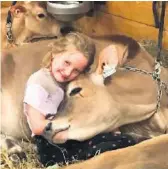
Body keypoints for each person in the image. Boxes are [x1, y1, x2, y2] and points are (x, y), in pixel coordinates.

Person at [23, 33, 137, 167]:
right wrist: (70, 134)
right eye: (66, 63)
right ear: (55, 52)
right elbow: (37, 126)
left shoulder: (69, 81)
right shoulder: (39, 82)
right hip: (51, 143)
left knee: (125, 140)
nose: (67, 72)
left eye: (76, 70)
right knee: (110, 147)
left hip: (69, 132)